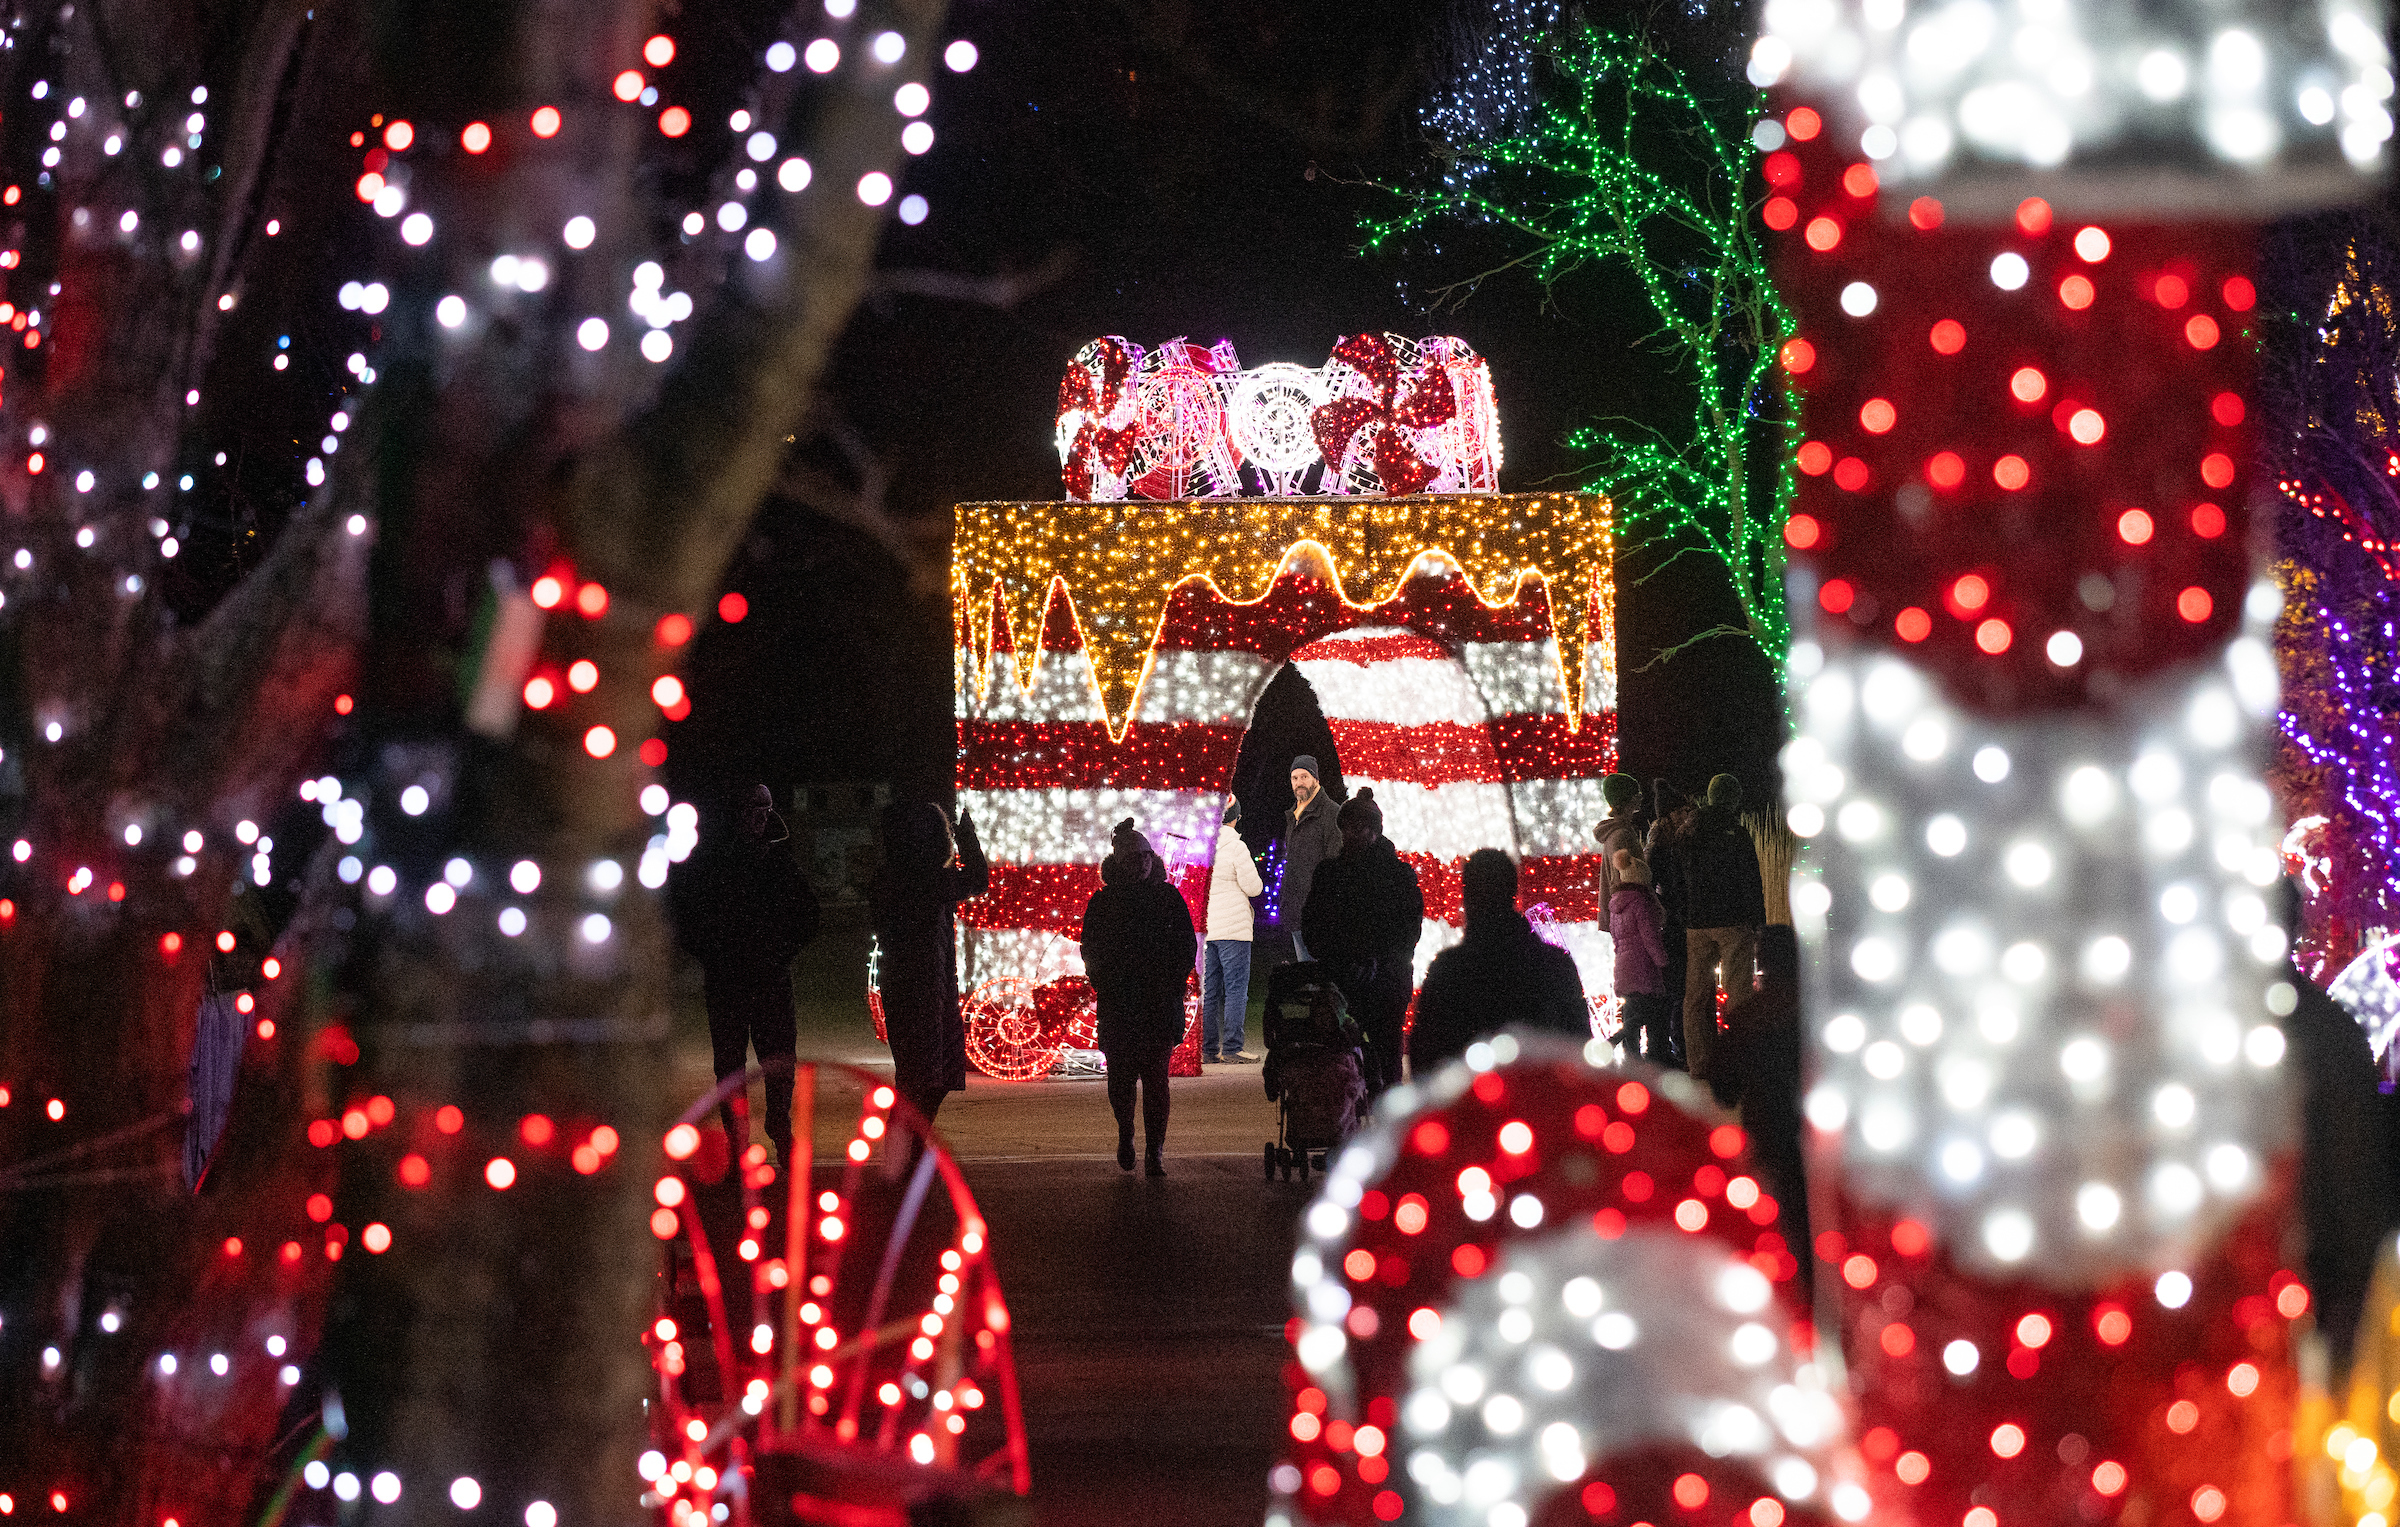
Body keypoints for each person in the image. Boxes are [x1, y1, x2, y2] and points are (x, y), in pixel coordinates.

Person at [669, 784, 821, 1162]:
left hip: (768, 977)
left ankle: (779, 1127)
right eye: (752, 809)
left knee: (779, 1058)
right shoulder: (712, 861)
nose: (760, 816)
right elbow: (685, 917)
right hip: (728, 979)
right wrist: (714, 953)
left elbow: (808, 915)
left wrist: (780, 951)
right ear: (736, 814)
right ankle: (738, 1143)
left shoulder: (778, 859)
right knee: (731, 1066)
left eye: (765, 809)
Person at [1079, 820, 1198, 1175]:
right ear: (1119, 862)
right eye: (1134, 858)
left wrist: (1175, 982)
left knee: (1156, 1080)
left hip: (1158, 1001)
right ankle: (1126, 1131)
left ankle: (1155, 1150)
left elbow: (1185, 944)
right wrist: (1101, 980)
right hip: (1120, 1001)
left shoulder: (1167, 898)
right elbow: (1091, 948)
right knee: (1121, 1078)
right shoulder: (1104, 902)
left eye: (1147, 856)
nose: (1143, 863)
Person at [1409, 849, 1588, 1073]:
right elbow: (1579, 1047)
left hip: (1471, 1103)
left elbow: (1426, 1062)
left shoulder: (1449, 970)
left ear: (1467, 895)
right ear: (1513, 891)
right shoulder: (1555, 964)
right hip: (1542, 1098)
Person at [870, 800, 988, 1136]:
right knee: (923, 1080)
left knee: (922, 1079)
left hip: (920, 990)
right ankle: (904, 1152)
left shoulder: (897, 878)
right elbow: (978, 879)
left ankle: (907, 1149)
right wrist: (968, 838)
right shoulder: (923, 880)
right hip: (922, 993)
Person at [1301, 790, 1423, 1091]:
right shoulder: (1330, 873)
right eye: (1348, 828)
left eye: (1359, 828)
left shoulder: (1398, 875)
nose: (1351, 835)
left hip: (1386, 980)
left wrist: (1376, 960)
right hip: (1343, 980)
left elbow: (1407, 930)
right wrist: (1341, 959)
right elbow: (1315, 925)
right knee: (1341, 1060)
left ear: (1374, 831)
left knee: (1387, 1055)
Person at [1680, 773, 1765, 1084]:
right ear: (1733, 799)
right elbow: (1750, 881)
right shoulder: (1737, 834)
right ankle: (1739, 1061)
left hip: (1696, 922)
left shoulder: (1688, 832)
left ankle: (1700, 1064)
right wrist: (1759, 921)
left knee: (1695, 997)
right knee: (1738, 993)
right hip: (1733, 921)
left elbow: (1679, 880)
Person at [1202, 800, 1264, 1063]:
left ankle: (1206, 1049)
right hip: (1235, 930)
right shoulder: (1237, 847)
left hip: (1208, 928)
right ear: (1236, 818)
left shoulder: (1203, 845)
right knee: (1236, 988)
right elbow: (1254, 887)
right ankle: (1232, 1047)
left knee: (1210, 990)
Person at [1608, 845, 1677, 1067]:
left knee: (1632, 1010)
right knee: (1653, 1013)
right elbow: (1650, 939)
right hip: (1643, 967)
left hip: (1623, 966)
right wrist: (1663, 963)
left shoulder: (1616, 904)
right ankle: (1657, 1058)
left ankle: (1631, 1060)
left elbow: (1616, 939)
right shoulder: (1641, 903)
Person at [1279, 754, 1344, 962]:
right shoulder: (1294, 816)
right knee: (1305, 974)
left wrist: (1326, 908)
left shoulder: (1331, 813)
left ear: (1316, 779)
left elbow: (1335, 864)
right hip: (1297, 910)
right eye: (1294, 778)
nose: (1299, 783)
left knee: (1319, 978)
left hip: (1319, 915)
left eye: (1304, 776)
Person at [1590, 773, 1646, 934]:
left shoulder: (1616, 833)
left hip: (1625, 917)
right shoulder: (1621, 835)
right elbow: (1624, 881)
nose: (1641, 798)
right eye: (1637, 795)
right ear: (1627, 800)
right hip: (1631, 919)